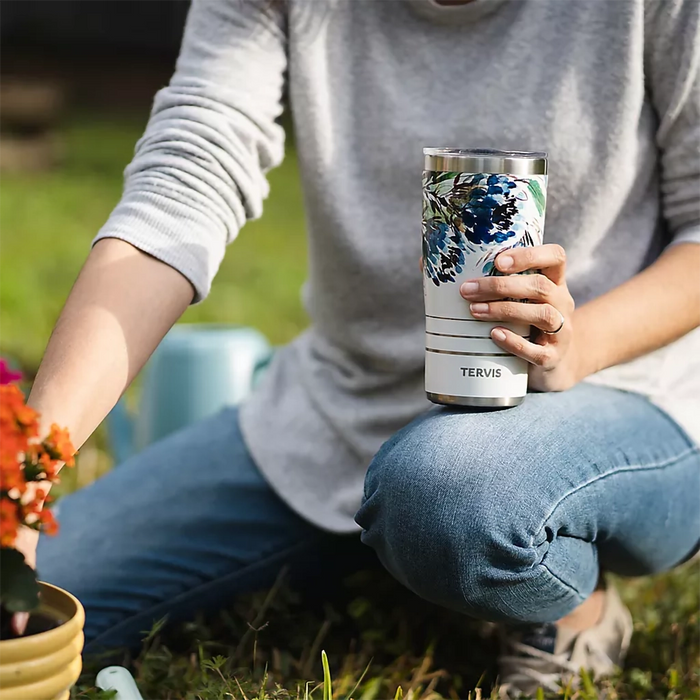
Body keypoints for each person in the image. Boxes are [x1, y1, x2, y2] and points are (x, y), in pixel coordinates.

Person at [16, 0, 700, 695]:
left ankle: (567, 604)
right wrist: (23, 481)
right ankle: (397, 555)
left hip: (617, 398)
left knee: (447, 493)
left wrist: (580, 344)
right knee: (28, 602)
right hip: (330, 422)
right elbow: (185, 182)